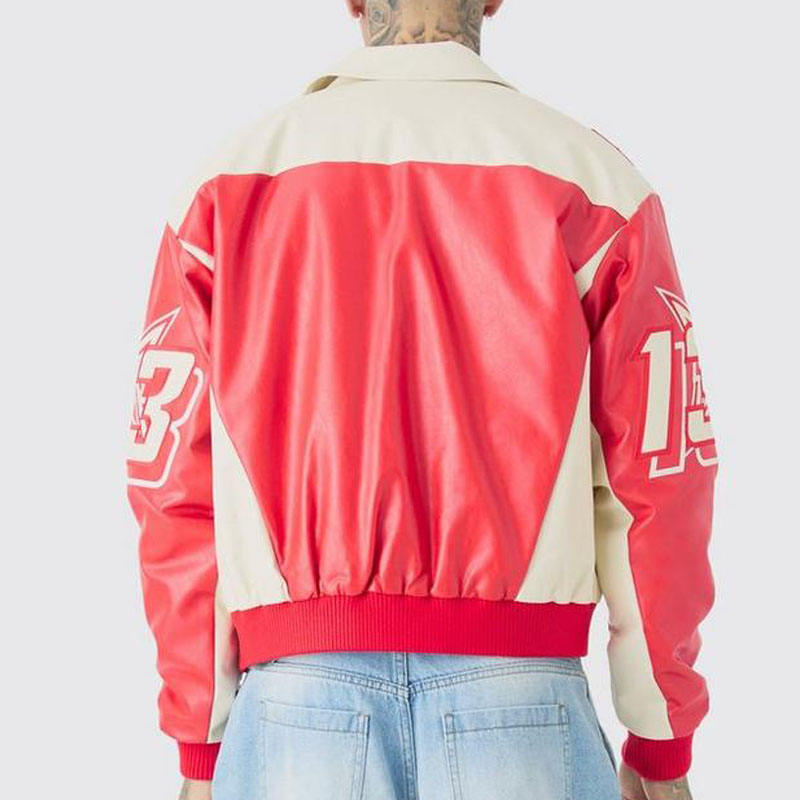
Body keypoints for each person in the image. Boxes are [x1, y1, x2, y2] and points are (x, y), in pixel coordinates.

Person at [125, 2, 718, 799]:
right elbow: (661, 478)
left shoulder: (225, 185)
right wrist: (660, 734)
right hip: (520, 701)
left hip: (298, 707)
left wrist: (200, 737)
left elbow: (173, 488)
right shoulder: (593, 179)